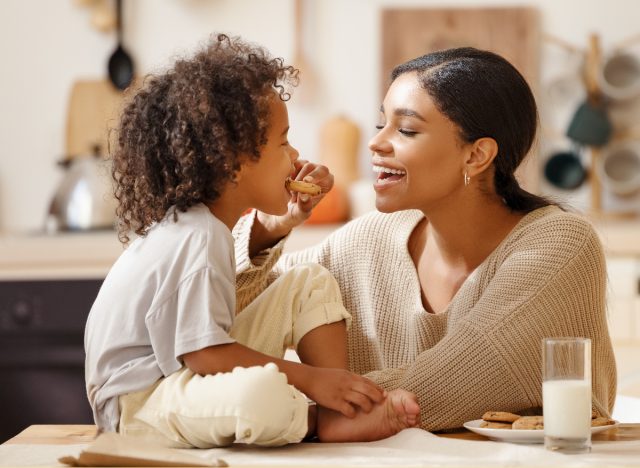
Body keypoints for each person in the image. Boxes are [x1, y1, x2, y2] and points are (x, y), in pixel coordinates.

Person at [233, 47, 617, 431]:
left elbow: (447, 384)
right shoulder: (368, 240)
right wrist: (269, 230)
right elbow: (211, 323)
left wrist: (284, 408)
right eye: (380, 123)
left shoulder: (559, 245)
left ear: (476, 155)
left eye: (406, 130)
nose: (376, 143)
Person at [84, 33, 420, 449]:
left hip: (180, 375)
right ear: (233, 164)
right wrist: (314, 380)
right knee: (262, 397)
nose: (295, 155)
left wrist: (287, 218)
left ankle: (337, 416)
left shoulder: (206, 228)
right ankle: (317, 417)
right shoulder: (198, 236)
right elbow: (205, 357)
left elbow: (209, 349)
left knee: (307, 282)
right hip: (140, 403)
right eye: (283, 142)